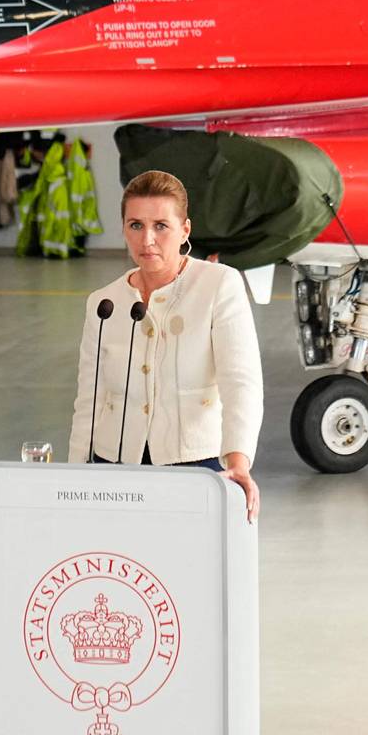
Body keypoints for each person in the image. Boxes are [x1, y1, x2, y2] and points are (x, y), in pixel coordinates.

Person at [69, 169, 263, 520]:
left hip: (194, 465)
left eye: (161, 226)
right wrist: (75, 476)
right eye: (136, 225)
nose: (147, 241)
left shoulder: (219, 285)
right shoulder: (103, 301)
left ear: (185, 230)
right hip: (112, 464)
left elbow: (241, 382)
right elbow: (90, 399)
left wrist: (238, 461)